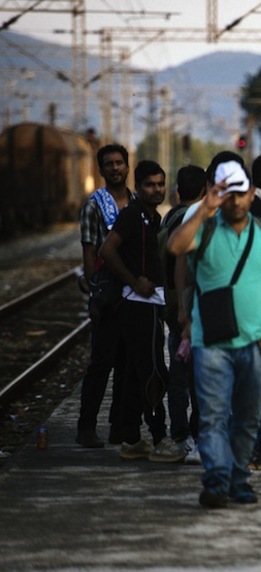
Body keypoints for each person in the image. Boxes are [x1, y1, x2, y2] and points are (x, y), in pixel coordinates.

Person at [167, 160, 261, 509]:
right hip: (211, 340)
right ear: (219, 193)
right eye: (227, 194)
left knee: (248, 417)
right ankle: (217, 481)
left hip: (253, 340)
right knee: (214, 416)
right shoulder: (201, 224)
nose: (235, 201)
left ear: (251, 194)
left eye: (241, 193)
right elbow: (175, 247)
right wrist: (206, 206)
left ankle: (238, 478)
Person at [98, 160, 171, 460]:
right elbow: (106, 250)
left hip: (145, 304)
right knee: (153, 370)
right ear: (138, 187)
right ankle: (160, 437)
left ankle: (131, 437)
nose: (157, 190)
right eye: (150, 185)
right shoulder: (132, 216)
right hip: (140, 304)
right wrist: (134, 280)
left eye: (160, 184)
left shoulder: (152, 218)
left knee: (131, 372)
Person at [75, 144, 133, 448]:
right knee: (101, 364)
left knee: (126, 364)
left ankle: (118, 426)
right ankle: (86, 427)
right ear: (101, 170)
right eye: (109, 164)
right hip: (107, 293)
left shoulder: (135, 202)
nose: (115, 168)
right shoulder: (94, 206)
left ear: (127, 166)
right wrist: (95, 294)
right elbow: (89, 252)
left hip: (132, 296)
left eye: (119, 163)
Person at [159, 164, 206, 462]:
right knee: (200, 374)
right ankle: (198, 433)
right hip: (193, 304)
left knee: (177, 370)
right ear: (204, 191)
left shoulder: (169, 217)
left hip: (171, 302)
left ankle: (179, 434)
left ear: (178, 191)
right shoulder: (199, 220)